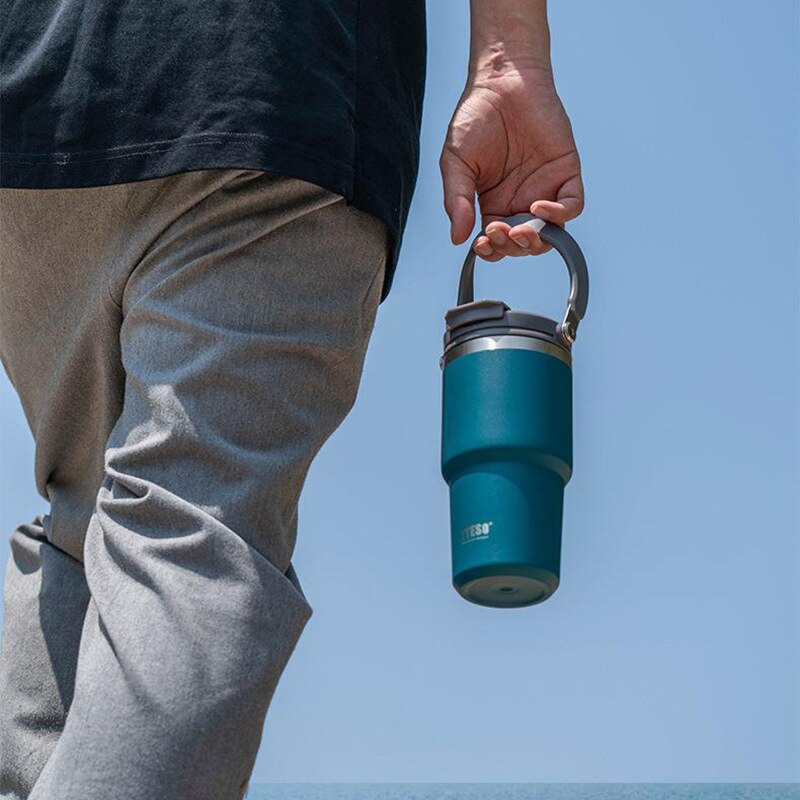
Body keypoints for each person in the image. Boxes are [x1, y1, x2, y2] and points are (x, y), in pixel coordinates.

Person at [0, 0, 583, 796]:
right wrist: (508, 57)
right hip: (264, 77)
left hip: (30, 98)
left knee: (83, 524)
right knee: (190, 533)